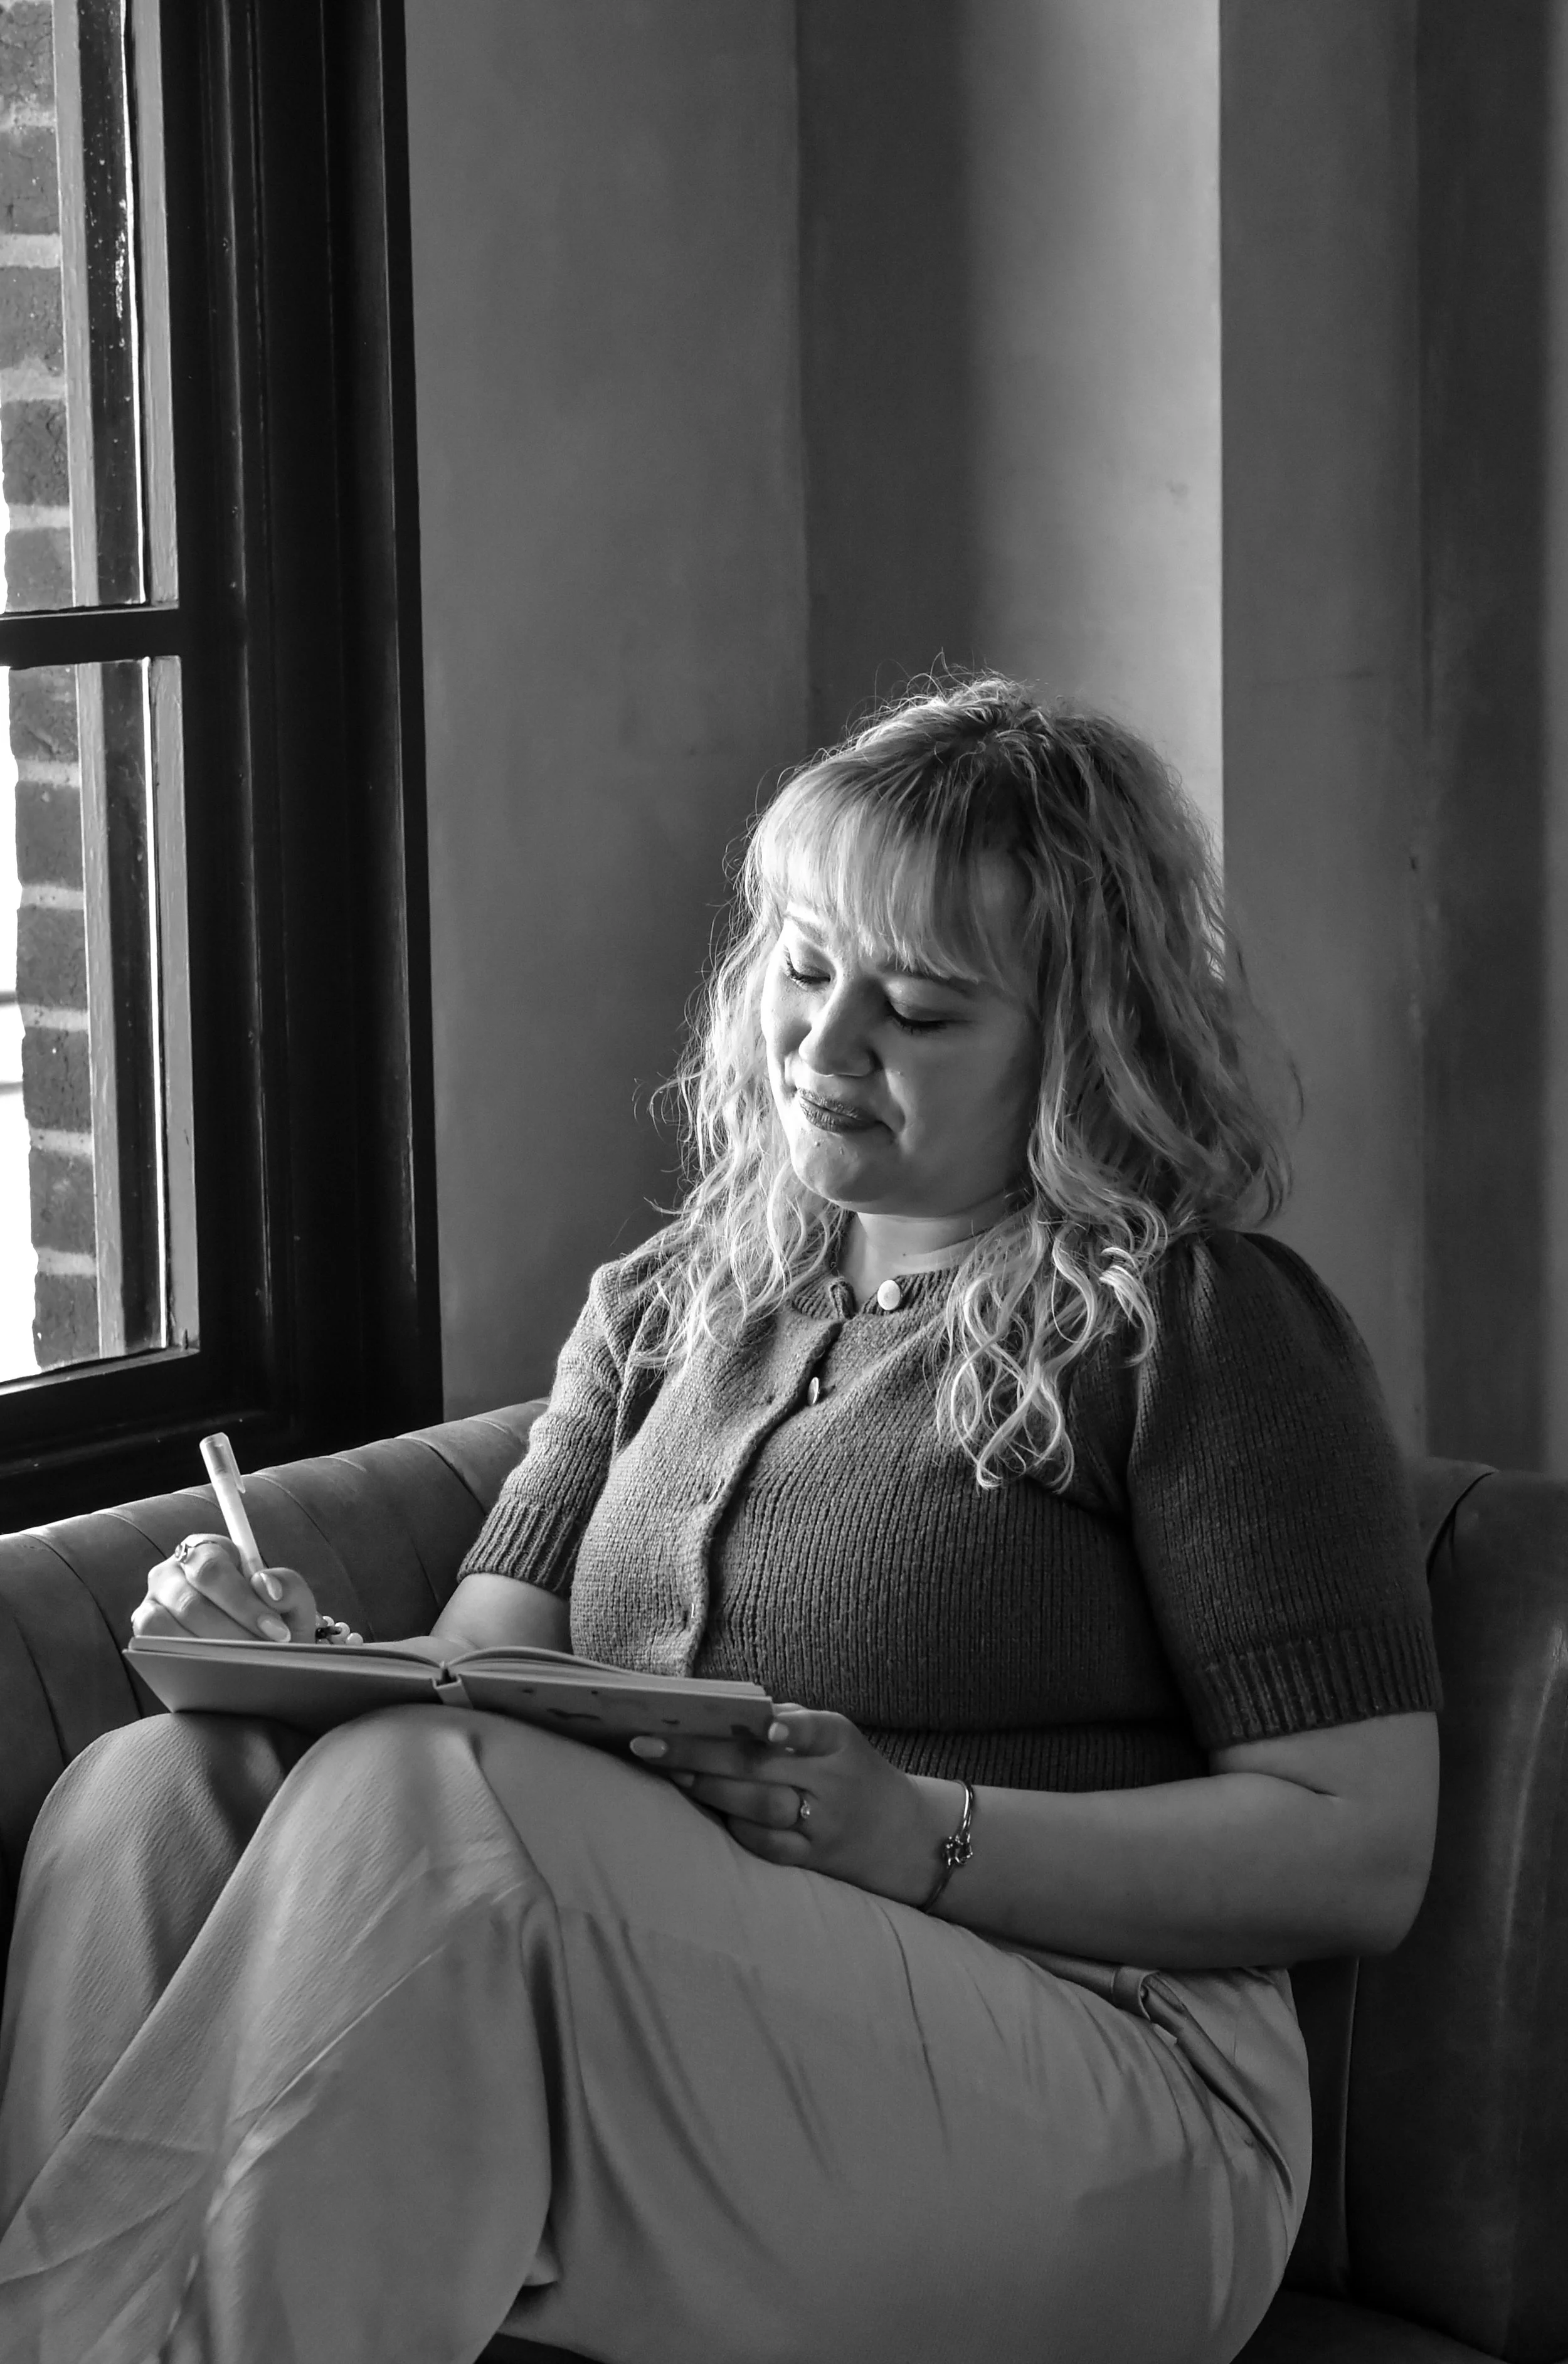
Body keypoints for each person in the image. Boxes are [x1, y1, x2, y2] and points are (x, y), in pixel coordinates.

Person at [0, 677, 1441, 2364]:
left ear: (1079, 1040)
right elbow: (485, 1689)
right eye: (807, 970)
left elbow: (1358, 1847)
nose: (825, 1049)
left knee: (425, 1797)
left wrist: (928, 1833)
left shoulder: (1191, 1323)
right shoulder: (673, 1300)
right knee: (154, 1786)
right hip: (695, 2031)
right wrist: (295, 1662)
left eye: (915, 1011)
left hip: (1114, 2090)